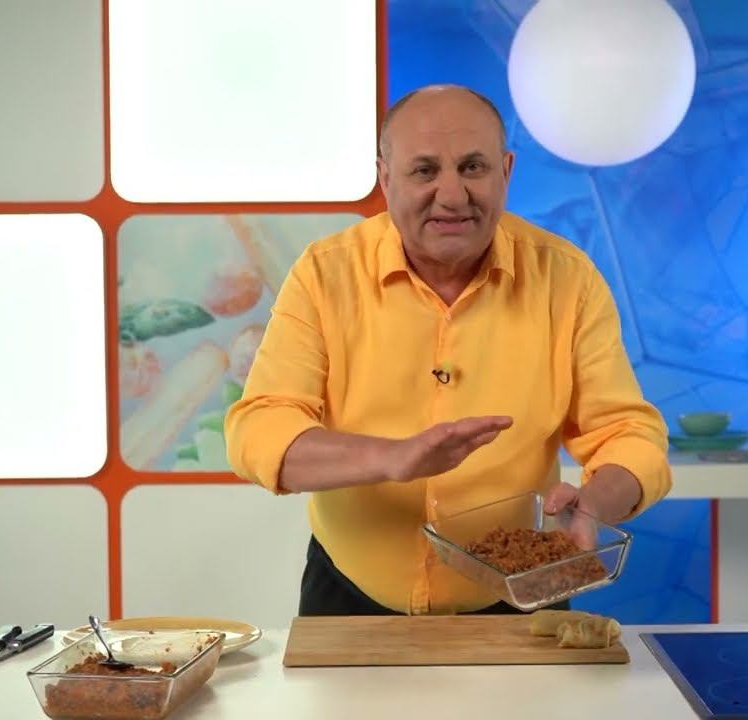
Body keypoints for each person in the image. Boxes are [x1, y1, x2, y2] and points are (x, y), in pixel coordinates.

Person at [223, 84, 671, 616]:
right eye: (425, 170)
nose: (453, 196)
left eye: (473, 167)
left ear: (505, 172)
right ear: (385, 178)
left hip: (522, 593)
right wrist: (391, 458)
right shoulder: (324, 273)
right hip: (347, 592)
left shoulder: (567, 279)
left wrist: (594, 505)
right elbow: (260, 428)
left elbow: (628, 435)